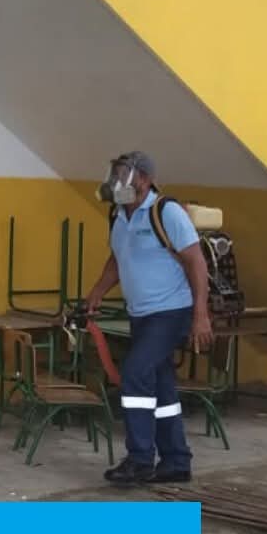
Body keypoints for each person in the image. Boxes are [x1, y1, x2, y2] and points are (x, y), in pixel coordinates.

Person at [81, 151, 214, 486]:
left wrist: (201, 315)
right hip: (140, 314)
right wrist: (97, 292)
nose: (115, 182)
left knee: (135, 372)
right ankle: (176, 461)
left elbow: (196, 262)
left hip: (171, 312)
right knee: (162, 388)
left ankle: (140, 459)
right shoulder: (118, 215)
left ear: (143, 179)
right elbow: (118, 257)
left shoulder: (166, 212)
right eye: (113, 175)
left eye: (122, 175)